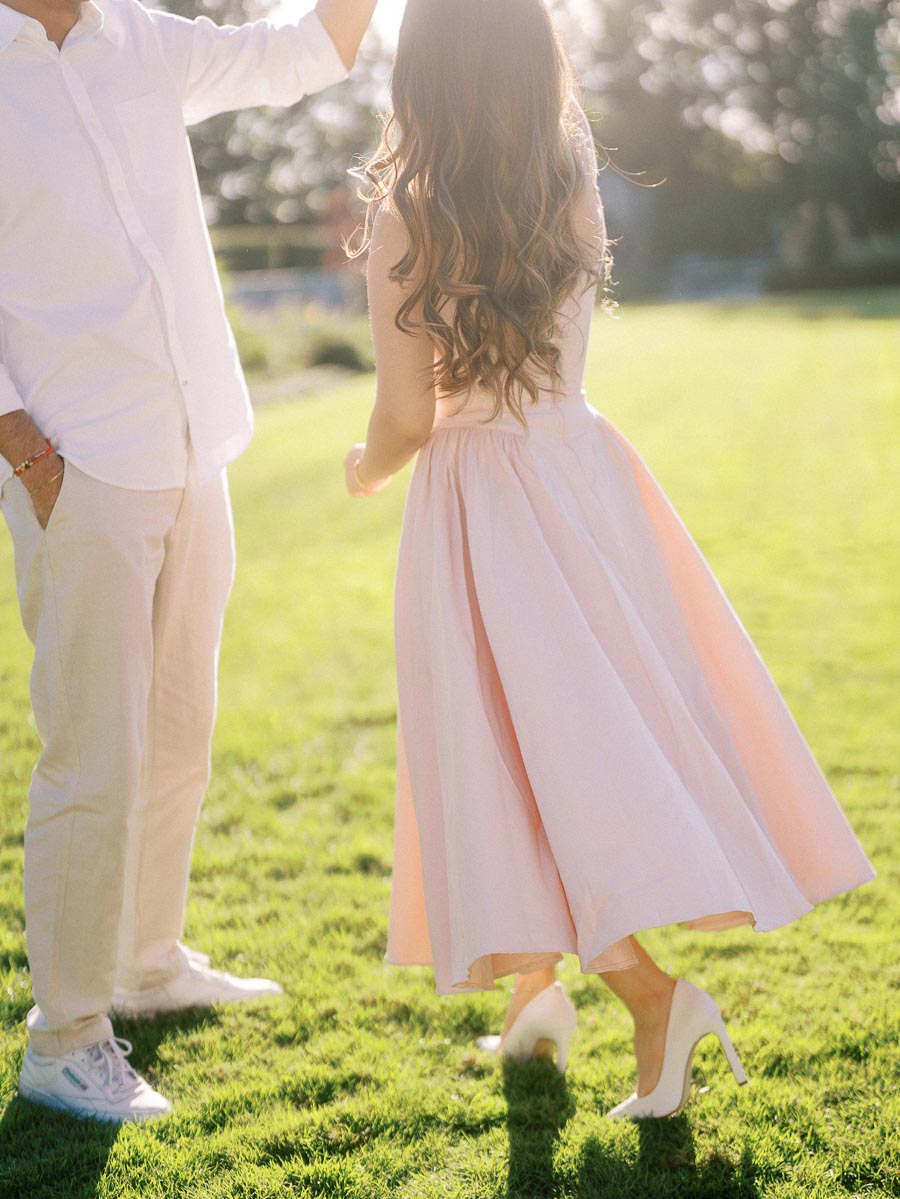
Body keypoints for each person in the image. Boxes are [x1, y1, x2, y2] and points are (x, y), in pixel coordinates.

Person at [344, 0, 875, 1119]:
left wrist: (366, 463)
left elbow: (405, 412)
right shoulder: (569, 186)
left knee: (516, 745)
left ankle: (649, 998)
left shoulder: (412, 215)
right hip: (585, 477)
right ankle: (532, 993)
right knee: (547, 735)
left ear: (422, 74)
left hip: (484, 498)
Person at [0, 0, 376, 1123]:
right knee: (93, 753)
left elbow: (308, 51)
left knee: (177, 733)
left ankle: (147, 964)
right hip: (79, 467)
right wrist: (25, 449)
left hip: (193, 444)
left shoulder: (143, 40)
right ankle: (65, 1036)